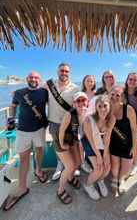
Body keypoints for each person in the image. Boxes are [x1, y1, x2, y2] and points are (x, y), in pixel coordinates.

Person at [4, 71, 48, 211]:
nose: (33, 79)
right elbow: (13, 106)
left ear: (39, 80)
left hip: (40, 129)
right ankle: (22, 187)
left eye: (36, 77)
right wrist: (10, 118)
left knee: (39, 150)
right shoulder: (19, 93)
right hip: (22, 130)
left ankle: (39, 171)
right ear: (27, 79)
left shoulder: (44, 92)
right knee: (23, 158)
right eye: (31, 77)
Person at [44, 63, 79, 180]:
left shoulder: (75, 88)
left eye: (66, 71)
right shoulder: (48, 84)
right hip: (53, 121)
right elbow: (35, 92)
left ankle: (72, 165)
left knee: (70, 143)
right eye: (62, 71)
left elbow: (79, 104)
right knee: (57, 145)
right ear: (58, 71)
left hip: (68, 122)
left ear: (69, 73)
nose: (64, 73)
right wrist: (18, 92)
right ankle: (59, 165)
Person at [53, 92, 88, 204]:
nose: (81, 103)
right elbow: (62, 130)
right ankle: (60, 190)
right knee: (69, 166)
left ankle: (70, 178)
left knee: (77, 162)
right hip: (60, 140)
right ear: (74, 103)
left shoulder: (86, 113)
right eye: (78, 101)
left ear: (87, 102)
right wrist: (62, 144)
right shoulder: (70, 114)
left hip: (72, 139)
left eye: (83, 100)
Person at [81, 95, 115, 200]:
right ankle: (88, 185)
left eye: (105, 106)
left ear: (110, 105)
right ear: (95, 107)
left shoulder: (111, 119)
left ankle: (100, 180)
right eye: (99, 106)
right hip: (89, 142)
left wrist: (105, 155)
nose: (103, 109)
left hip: (102, 141)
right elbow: (91, 140)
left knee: (107, 167)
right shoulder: (88, 119)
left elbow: (107, 137)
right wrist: (99, 156)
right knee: (99, 169)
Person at [109, 87, 137, 194]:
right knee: (114, 168)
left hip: (127, 143)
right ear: (108, 95)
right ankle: (115, 178)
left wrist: (134, 147)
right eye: (112, 94)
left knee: (126, 171)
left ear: (122, 98)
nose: (114, 97)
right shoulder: (106, 109)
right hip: (113, 143)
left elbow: (134, 129)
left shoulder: (128, 109)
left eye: (117, 95)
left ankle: (121, 179)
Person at [80, 75, 96, 173]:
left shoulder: (95, 93)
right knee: (82, 142)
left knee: (92, 141)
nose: (89, 83)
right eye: (88, 81)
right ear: (84, 82)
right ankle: (83, 162)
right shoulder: (81, 94)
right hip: (83, 121)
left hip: (94, 122)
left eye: (91, 81)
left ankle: (91, 160)